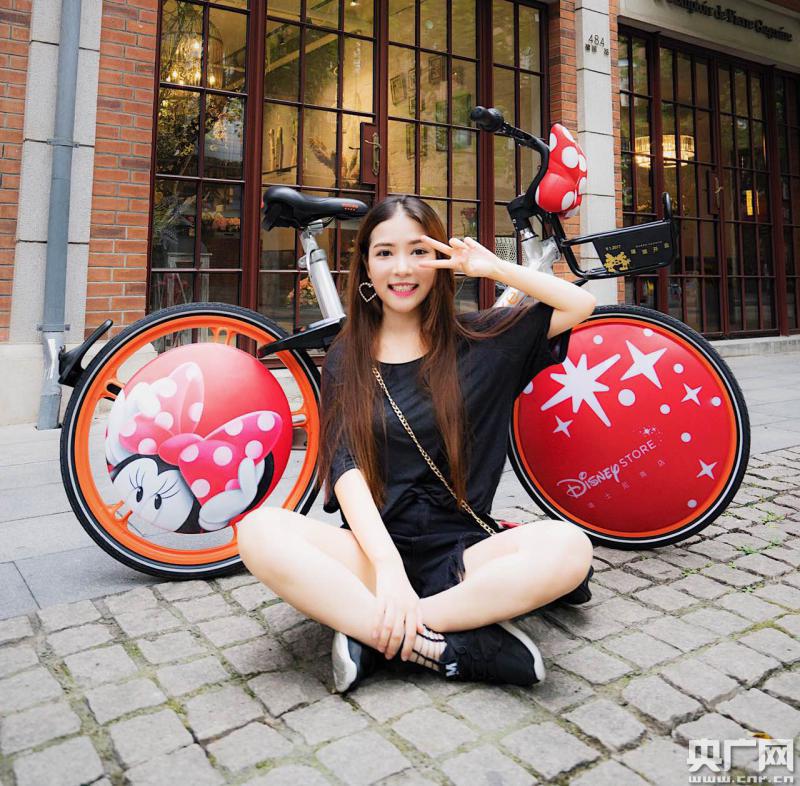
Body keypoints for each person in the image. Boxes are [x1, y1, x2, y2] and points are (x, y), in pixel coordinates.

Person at [237, 195, 596, 693]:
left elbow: (579, 304)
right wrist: (387, 569)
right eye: (385, 253)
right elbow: (344, 465)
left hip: (463, 555)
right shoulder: (346, 355)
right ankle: (452, 646)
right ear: (366, 266)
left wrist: (493, 267)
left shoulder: (484, 340)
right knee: (258, 531)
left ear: (440, 260)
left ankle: (379, 633)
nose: (402, 268)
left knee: (570, 547)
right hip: (369, 553)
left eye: (418, 251)